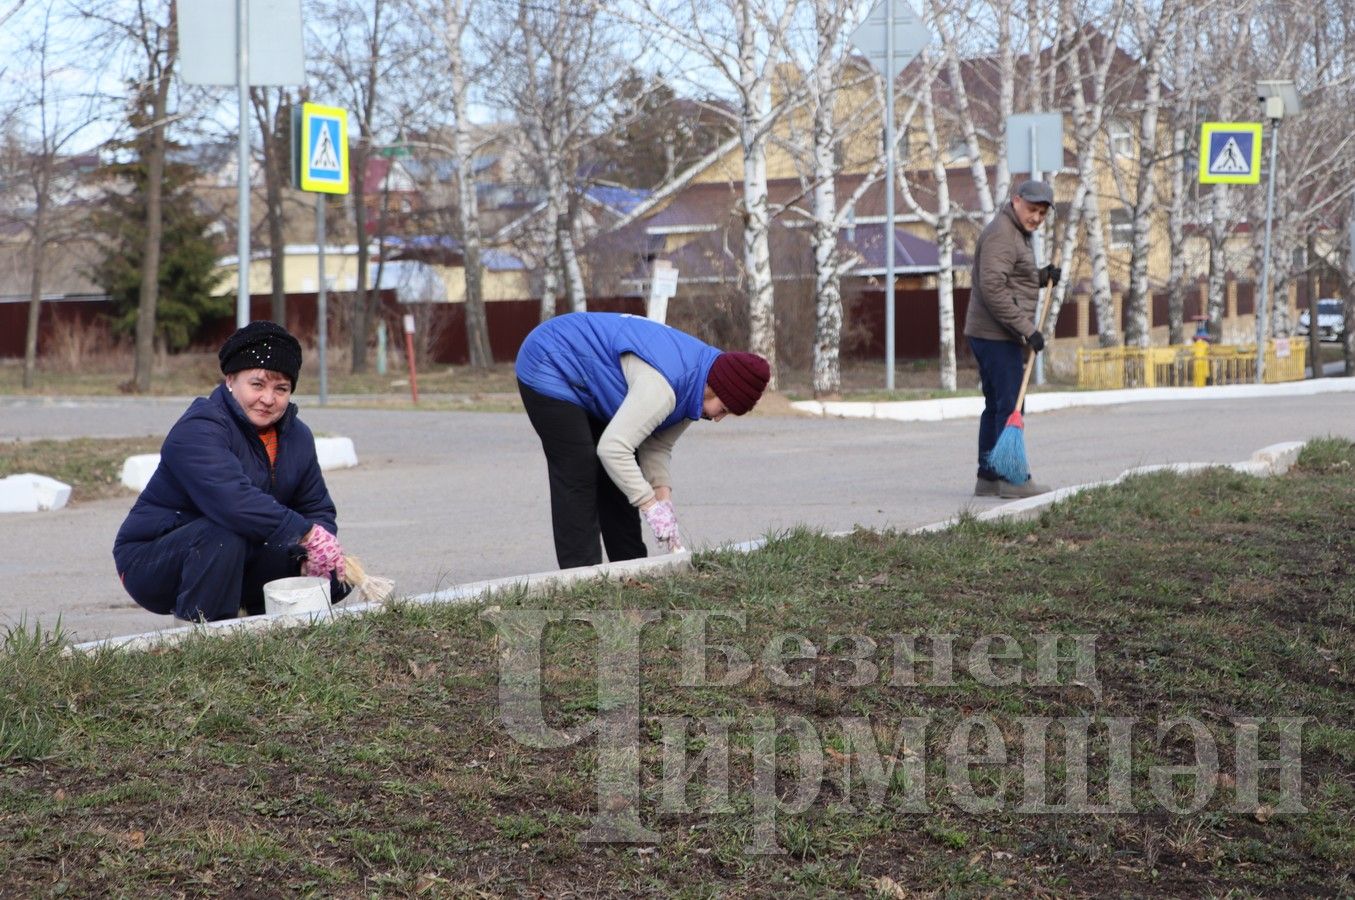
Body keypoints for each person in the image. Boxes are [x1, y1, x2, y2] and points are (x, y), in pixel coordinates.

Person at [113, 321, 347, 622]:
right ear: (231, 380)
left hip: (238, 549)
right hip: (152, 559)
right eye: (257, 384)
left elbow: (315, 506)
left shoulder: (297, 436)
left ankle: (266, 627)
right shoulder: (200, 428)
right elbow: (234, 503)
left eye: (281, 388)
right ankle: (201, 635)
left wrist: (315, 548)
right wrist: (305, 533)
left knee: (336, 574)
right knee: (225, 533)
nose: (268, 398)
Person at [515, 311, 770, 569]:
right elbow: (613, 449)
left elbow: (657, 444)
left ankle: (632, 570)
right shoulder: (665, 386)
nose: (718, 419)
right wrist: (650, 506)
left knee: (622, 476)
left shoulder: (698, 386)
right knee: (578, 468)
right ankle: (580, 577)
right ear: (714, 388)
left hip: (593, 381)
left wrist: (664, 502)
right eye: (724, 409)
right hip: (550, 359)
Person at [965, 179, 1061, 499]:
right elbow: (993, 288)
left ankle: (988, 476)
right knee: (1010, 406)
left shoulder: (1014, 232)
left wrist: (1040, 277)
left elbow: (1012, 278)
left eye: (1042, 214)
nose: (1036, 218)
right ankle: (1013, 478)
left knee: (996, 405)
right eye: (1032, 210)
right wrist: (1027, 329)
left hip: (990, 333)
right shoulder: (1003, 234)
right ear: (1016, 200)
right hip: (996, 334)